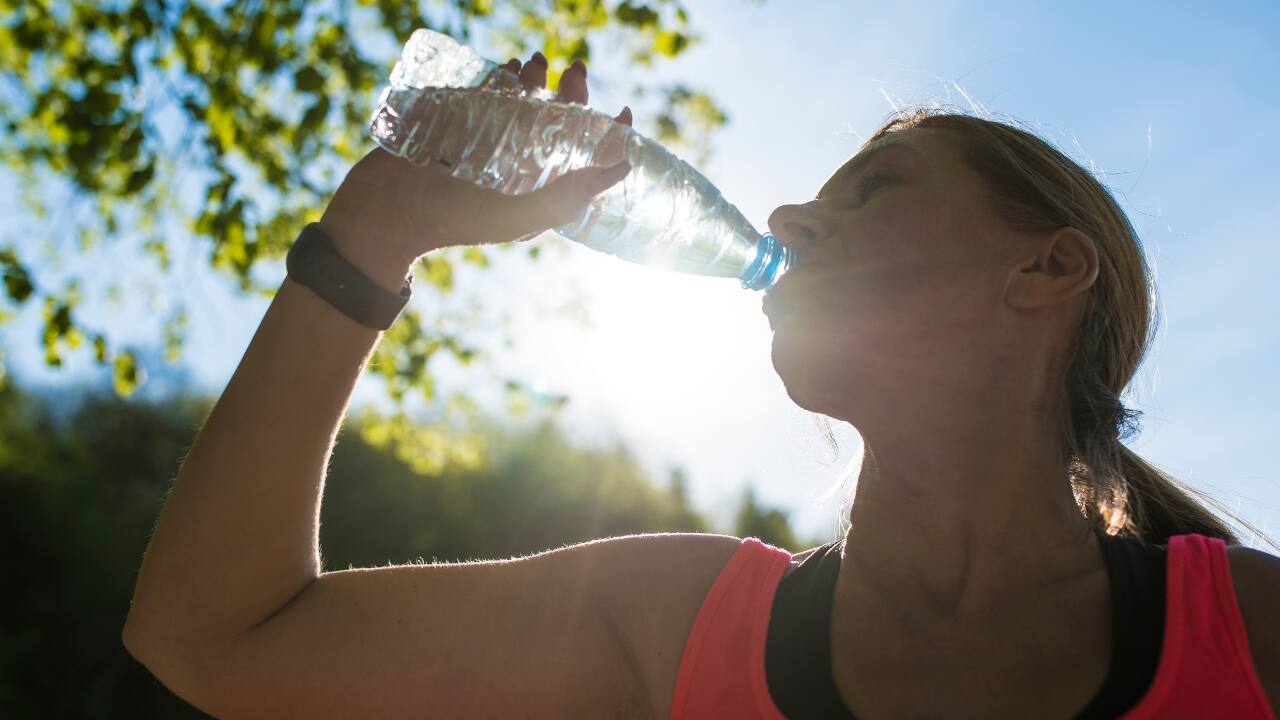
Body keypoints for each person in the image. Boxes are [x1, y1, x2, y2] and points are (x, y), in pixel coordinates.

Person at [121, 52, 1279, 719]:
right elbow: (213, 637)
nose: (782, 216)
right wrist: (373, 231)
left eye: (873, 189)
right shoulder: (673, 626)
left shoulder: (1252, 639)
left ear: (1044, 269)